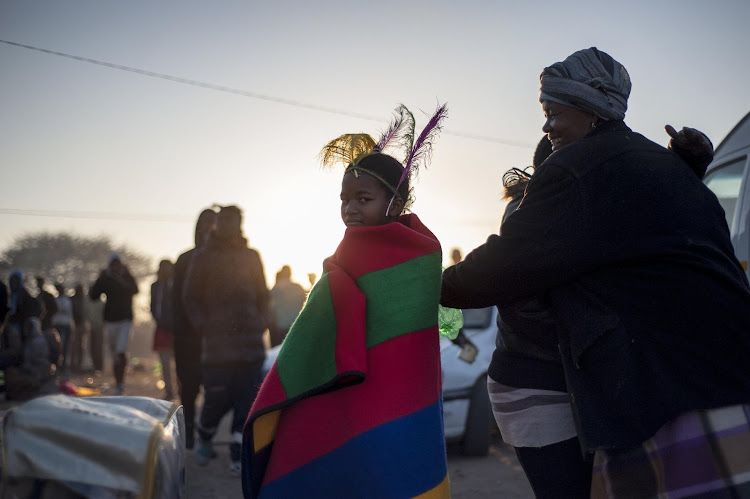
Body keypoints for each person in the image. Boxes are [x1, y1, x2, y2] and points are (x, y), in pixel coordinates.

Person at [441, 47, 750, 497]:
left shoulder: (576, 170)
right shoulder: (665, 166)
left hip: (652, 383)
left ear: (589, 110)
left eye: (551, 112)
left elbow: (503, 267)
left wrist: (429, 283)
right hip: (722, 369)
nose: (546, 128)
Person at [242, 104, 450, 498]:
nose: (350, 208)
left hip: (402, 393)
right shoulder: (344, 256)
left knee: (393, 470)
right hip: (344, 395)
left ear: (395, 202)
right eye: (344, 199)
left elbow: (412, 338)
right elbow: (319, 327)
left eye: (363, 198)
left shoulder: (423, 255)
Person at [184, 205, 269, 474]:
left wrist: (261, 321)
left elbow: (263, 295)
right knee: (215, 400)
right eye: (224, 221)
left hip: (251, 346)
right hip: (217, 347)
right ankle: (205, 435)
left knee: (247, 402)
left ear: (240, 223)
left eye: (234, 220)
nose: (228, 225)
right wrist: (204, 326)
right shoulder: (203, 257)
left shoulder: (251, 256)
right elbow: (190, 297)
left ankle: (237, 455)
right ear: (217, 224)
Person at [172, 207, 217, 449]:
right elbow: (176, 299)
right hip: (186, 336)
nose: (208, 230)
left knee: (212, 386)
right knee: (187, 387)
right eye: (203, 225)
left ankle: (205, 433)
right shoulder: (184, 259)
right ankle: (188, 430)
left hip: (214, 336)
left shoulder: (223, 261)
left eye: (213, 225)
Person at [89, 253, 138, 395]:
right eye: (113, 265)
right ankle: (118, 382)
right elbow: (93, 296)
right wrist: (100, 279)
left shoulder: (126, 277)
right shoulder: (107, 279)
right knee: (114, 353)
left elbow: (135, 290)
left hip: (125, 321)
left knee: (120, 351)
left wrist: (127, 275)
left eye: (118, 264)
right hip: (110, 322)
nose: (116, 267)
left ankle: (120, 383)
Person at [150, 259, 175, 400]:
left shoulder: (177, 284)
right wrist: (158, 319)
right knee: (165, 363)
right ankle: (169, 390)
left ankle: (180, 389)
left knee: (178, 363)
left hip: (176, 329)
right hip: (161, 328)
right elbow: (152, 306)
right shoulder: (155, 286)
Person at [268, 265, 306, 347]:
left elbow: (270, 308)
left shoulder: (275, 289)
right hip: (296, 327)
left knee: (279, 355)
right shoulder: (298, 288)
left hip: (280, 329)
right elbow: (305, 306)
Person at [52, 283, 74, 374]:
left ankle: (64, 366)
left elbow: (63, 310)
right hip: (58, 326)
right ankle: (59, 366)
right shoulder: (57, 300)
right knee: (59, 347)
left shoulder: (66, 300)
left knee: (65, 347)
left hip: (65, 326)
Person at [85, 293, 105, 373]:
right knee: (92, 347)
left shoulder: (102, 303)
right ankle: (95, 365)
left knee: (98, 347)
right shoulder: (90, 303)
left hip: (99, 327)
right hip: (91, 327)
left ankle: (99, 366)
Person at [70, 284, 87, 371]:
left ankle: (79, 364)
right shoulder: (72, 299)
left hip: (82, 325)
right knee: (74, 346)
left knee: (80, 346)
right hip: (74, 325)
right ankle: (73, 364)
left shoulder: (84, 300)